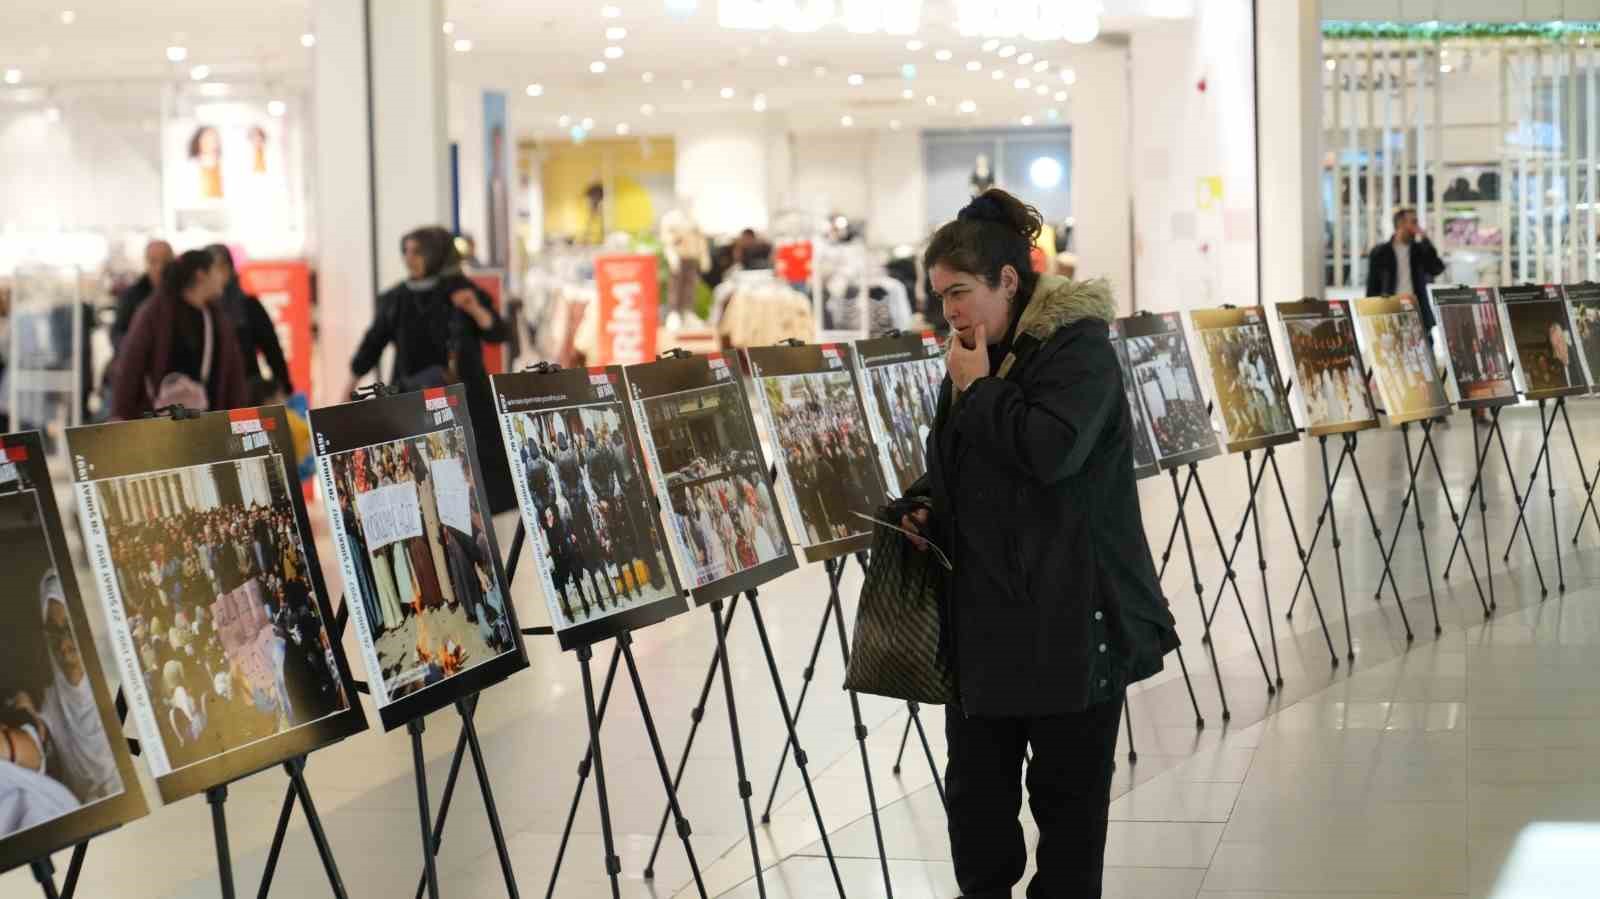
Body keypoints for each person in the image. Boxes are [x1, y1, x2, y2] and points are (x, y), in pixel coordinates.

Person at [899, 189, 1178, 899]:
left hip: (1070, 626)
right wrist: (926, 504)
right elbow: (963, 461)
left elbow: (1050, 452)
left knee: (1068, 818)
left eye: (959, 293)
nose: (949, 311)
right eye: (940, 296)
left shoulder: (1079, 351)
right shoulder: (977, 355)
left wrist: (980, 390)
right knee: (977, 810)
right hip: (985, 625)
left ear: (1007, 282)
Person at [347, 227, 515, 513]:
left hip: (464, 398)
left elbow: (497, 333)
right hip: (412, 398)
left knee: (475, 482)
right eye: (406, 251)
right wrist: (348, 387)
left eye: (417, 252)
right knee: (421, 481)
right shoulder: (396, 299)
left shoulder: (462, 291)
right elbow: (372, 345)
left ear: (435, 254)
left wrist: (474, 308)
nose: (409, 258)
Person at [110, 249, 249, 420]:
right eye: (216, 271)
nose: (221, 278)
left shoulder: (216, 317)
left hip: (209, 421)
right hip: (160, 422)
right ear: (201, 275)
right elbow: (130, 366)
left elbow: (233, 376)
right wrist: (121, 415)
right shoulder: (156, 312)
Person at [206, 245, 294, 404]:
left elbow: (271, 348)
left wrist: (285, 388)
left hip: (248, 392)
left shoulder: (247, 305)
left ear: (228, 268)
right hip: (211, 396)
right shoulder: (201, 309)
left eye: (218, 267)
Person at [1365, 206, 1446, 335]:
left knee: (1424, 346)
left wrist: (1425, 240)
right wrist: (1372, 317)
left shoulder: (1419, 250)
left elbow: (1437, 269)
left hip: (1417, 310)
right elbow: (1372, 287)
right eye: (1413, 222)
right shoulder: (1380, 252)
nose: (1417, 226)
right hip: (1390, 311)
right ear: (1401, 224)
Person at [109, 240, 174, 352]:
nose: (160, 267)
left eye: (165, 262)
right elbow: (117, 333)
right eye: (153, 261)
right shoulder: (131, 295)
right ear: (146, 263)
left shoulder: (183, 294)